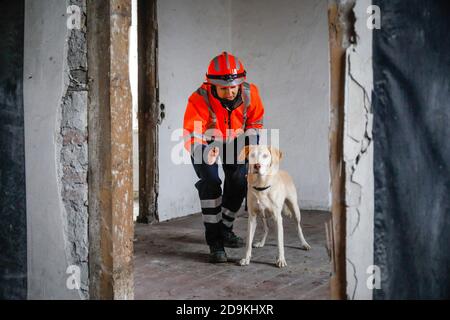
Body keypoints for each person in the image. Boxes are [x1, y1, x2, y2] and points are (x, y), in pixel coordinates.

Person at [183, 52, 265, 263]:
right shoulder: (199, 98)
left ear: (240, 82)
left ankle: (225, 228)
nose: (229, 92)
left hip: (236, 140)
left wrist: (250, 143)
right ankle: (215, 242)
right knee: (210, 182)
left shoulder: (250, 93)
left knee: (239, 180)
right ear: (212, 84)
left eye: (233, 87)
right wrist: (204, 152)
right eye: (223, 88)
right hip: (205, 142)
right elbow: (192, 133)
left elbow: (254, 122)